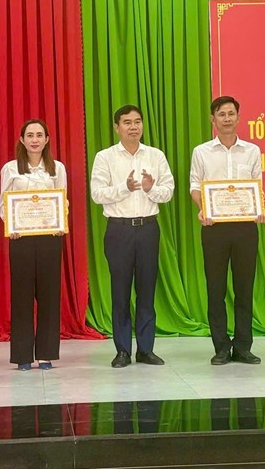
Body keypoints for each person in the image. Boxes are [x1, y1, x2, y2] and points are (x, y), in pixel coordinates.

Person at [90, 105, 174, 368]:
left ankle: (146, 350)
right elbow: (97, 194)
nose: (133, 127)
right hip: (119, 230)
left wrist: (151, 189)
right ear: (117, 127)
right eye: (127, 122)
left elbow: (168, 191)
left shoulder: (155, 155)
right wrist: (124, 188)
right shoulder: (105, 157)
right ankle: (123, 350)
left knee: (147, 290)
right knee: (121, 291)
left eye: (137, 121)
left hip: (148, 228)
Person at [189, 96, 265, 366]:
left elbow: (257, 186)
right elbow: (195, 186)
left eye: (231, 113)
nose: (226, 118)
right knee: (216, 289)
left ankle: (243, 347)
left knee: (244, 288)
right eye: (221, 114)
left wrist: (260, 208)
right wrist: (204, 209)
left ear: (238, 117)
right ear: (213, 119)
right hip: (214, 228)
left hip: (246, 228)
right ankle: (221, 347)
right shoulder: (201, 152)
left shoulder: (252, 151)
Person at [0, 120, 67, 371]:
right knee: (22, 296)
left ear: (47, 139)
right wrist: (11, 224)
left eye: (39, 135)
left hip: (50, 237)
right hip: (21, 239)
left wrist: (61, 221)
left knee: (49, 295)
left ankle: (46, 354)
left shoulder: (57, 168)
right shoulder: (10, 169)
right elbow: (3, 203)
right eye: (30, 135)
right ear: (22, 139)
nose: (35, 139)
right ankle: (23, 355)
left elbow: (63, 199)